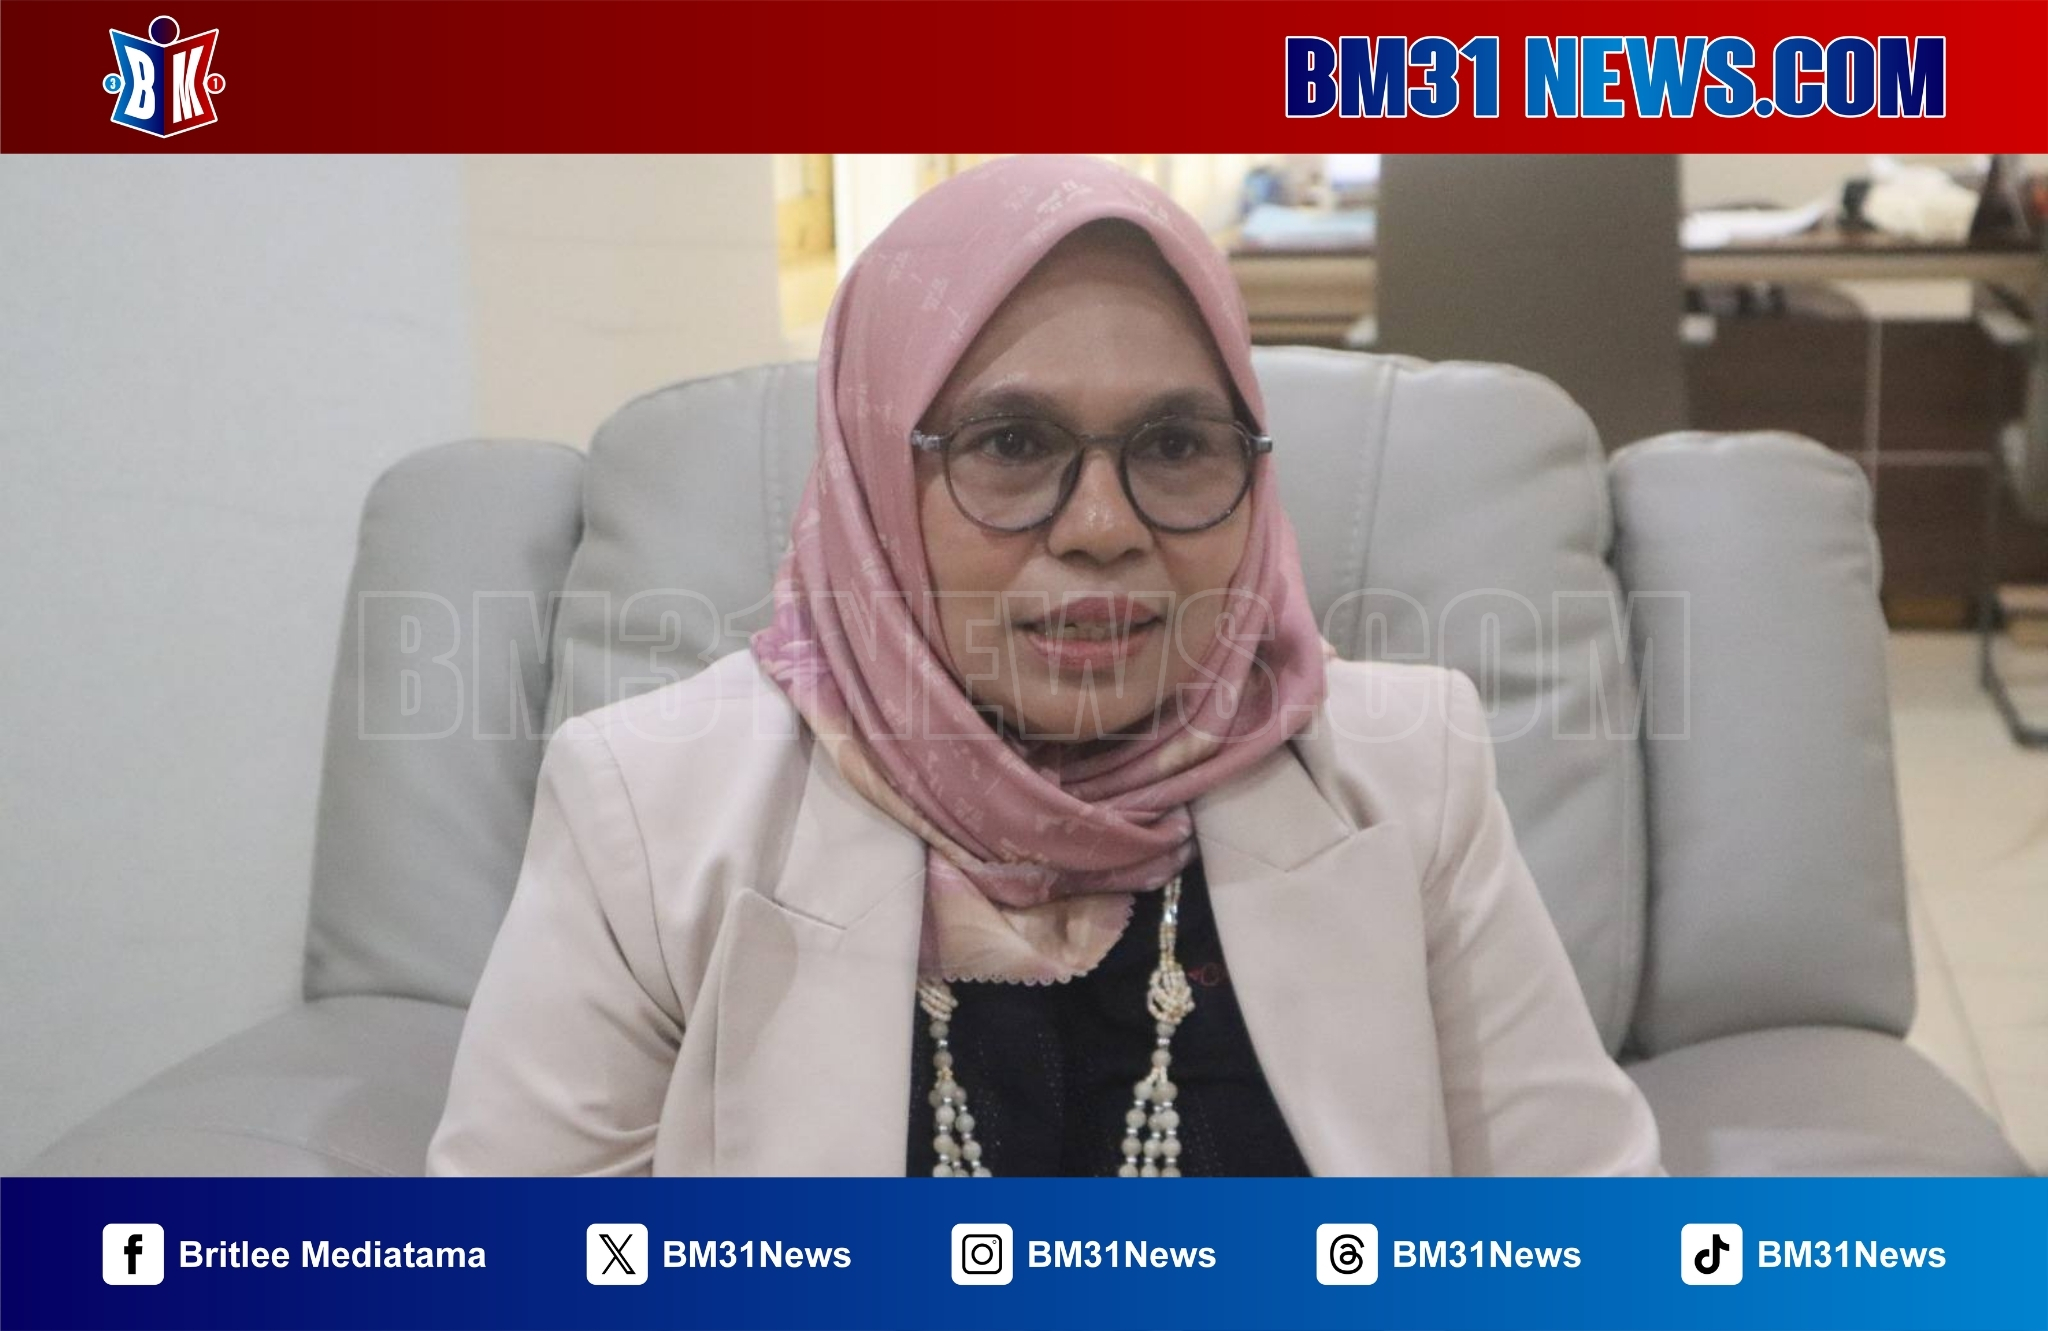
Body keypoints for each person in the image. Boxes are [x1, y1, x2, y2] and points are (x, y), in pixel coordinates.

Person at [425, 155, 1663, 1178]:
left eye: (1174, 443)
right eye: (1011, 442)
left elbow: (1583, 1230)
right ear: (872, 476)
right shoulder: (650, 814)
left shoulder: (1404, 774)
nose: (1101, 527)